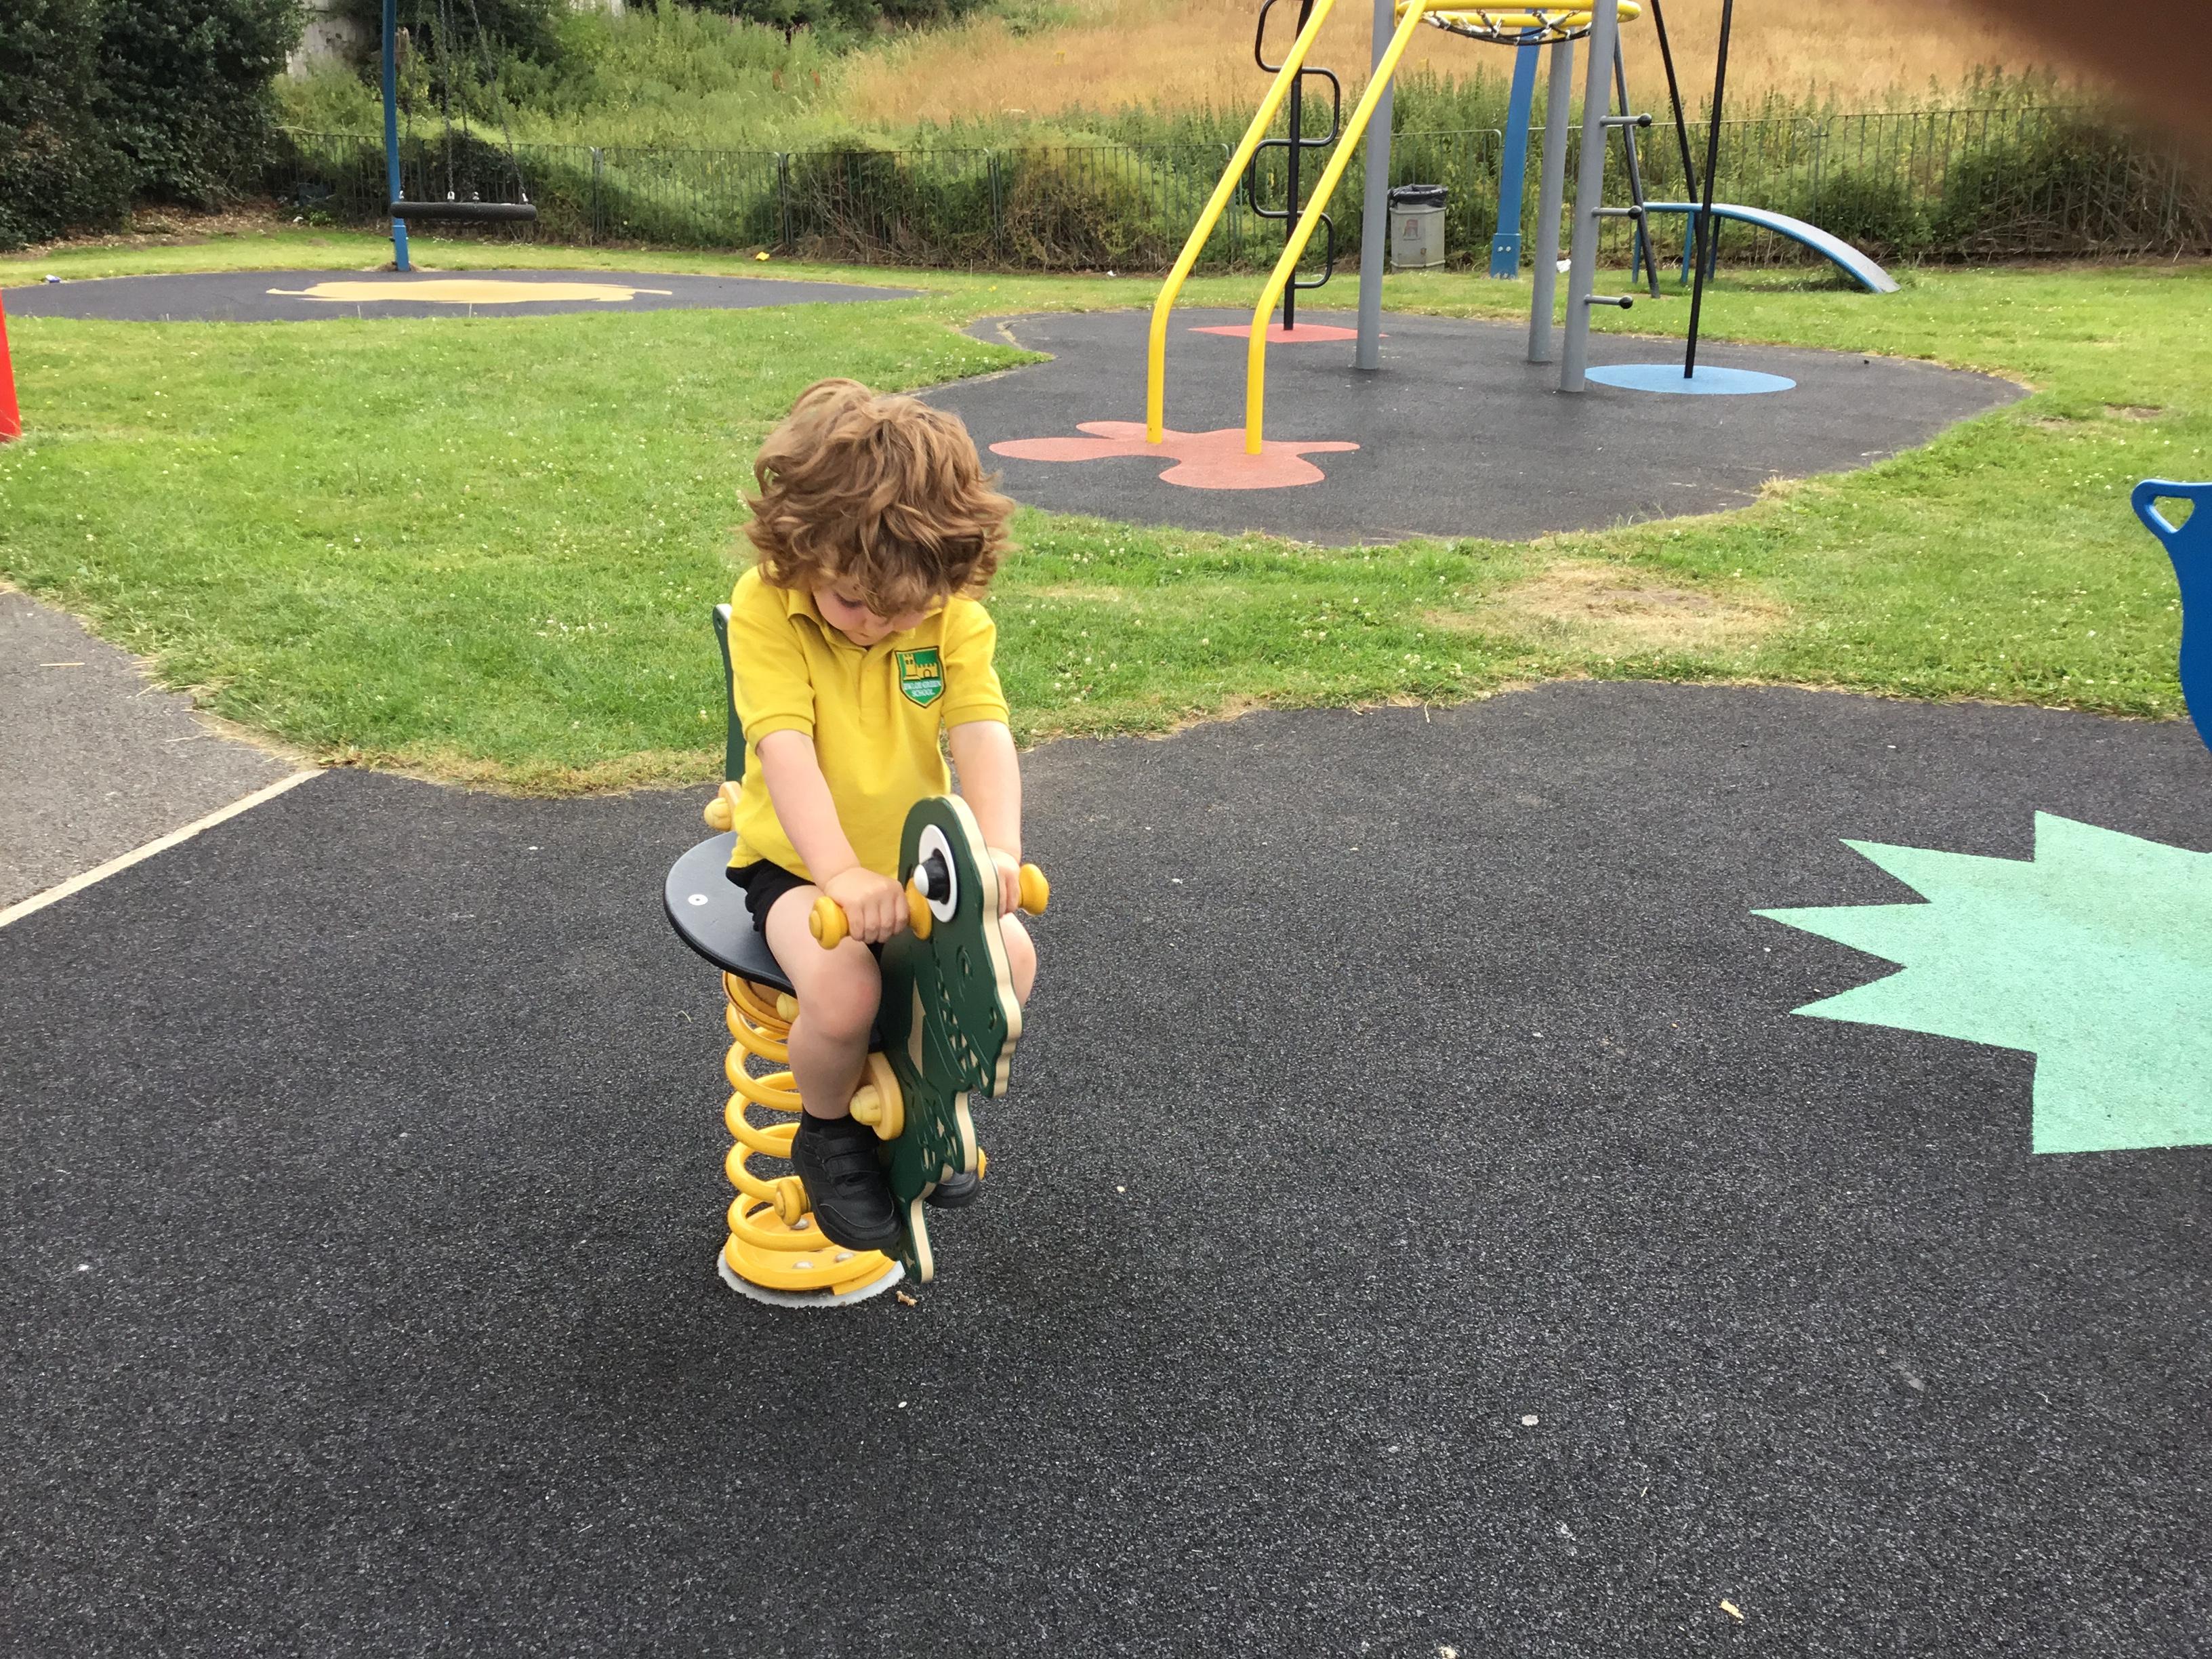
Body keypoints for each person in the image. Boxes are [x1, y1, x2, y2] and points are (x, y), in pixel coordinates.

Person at [720, 378, 1037, 1252]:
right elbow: (785, 750)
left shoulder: (952, 619)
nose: (875, 624)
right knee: (845, 989)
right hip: (796, 865)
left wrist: (997, 851)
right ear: (800, 551)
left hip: (916, 866)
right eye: (853, 601)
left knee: (1010, 957)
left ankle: (930, 1099)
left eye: (903, 609)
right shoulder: (769, 606)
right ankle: (829, 1131)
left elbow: (982, 732)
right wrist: (841, 876)